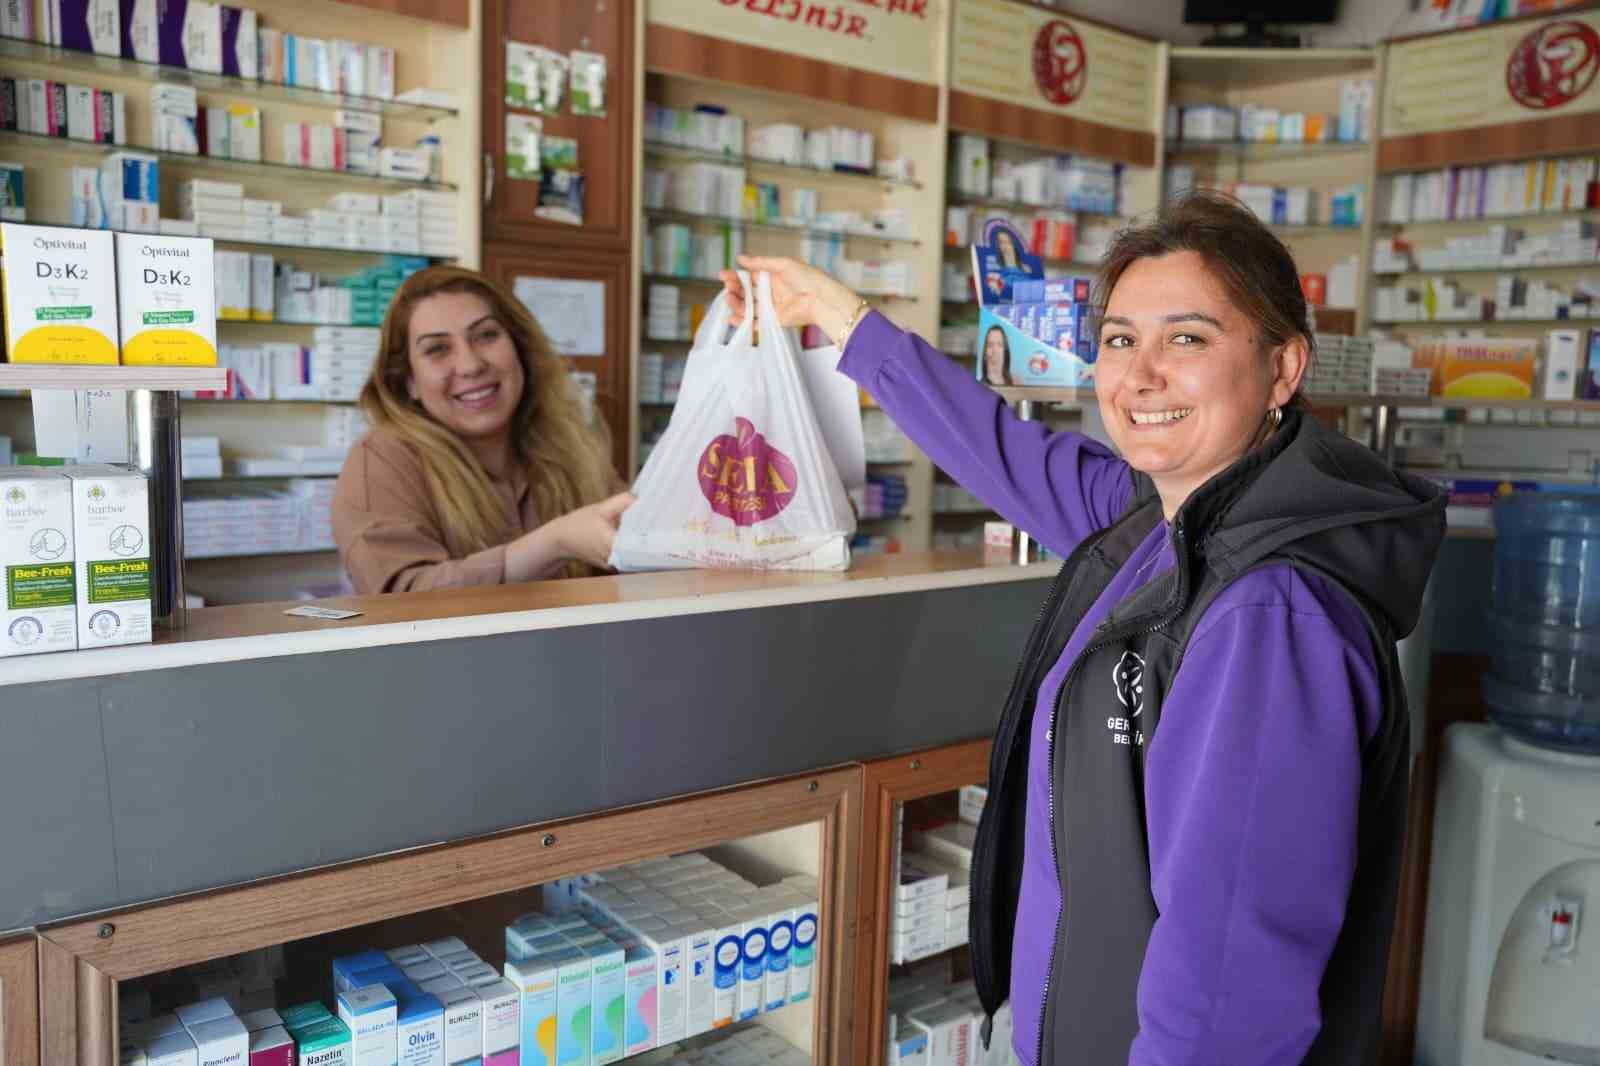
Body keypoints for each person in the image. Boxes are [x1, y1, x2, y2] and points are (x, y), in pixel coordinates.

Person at [719, 191, 1445, 1065]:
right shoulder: (1157, 523)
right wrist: (834, 313)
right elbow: (998, 447)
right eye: (1118, 339)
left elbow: (1230, 984)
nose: (1140, 374)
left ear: (1283, 368)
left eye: (1188, 338)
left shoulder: (1268, 615)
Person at [332, 266, 633, 594]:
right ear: (409, 381)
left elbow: (638, 556)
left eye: (486, 335)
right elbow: (402, 597)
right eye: (437, 349)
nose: (471, 365)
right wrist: (553, 544)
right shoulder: (381, 459)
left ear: (520, 349)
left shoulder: (571, 443)